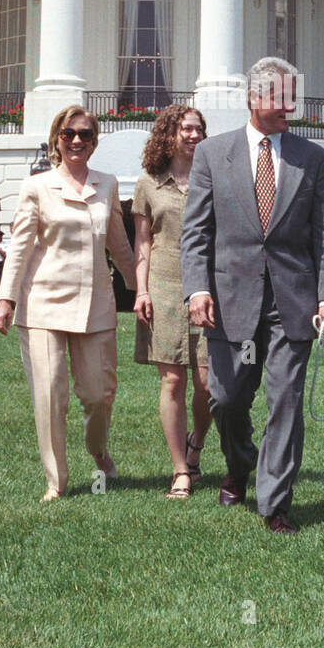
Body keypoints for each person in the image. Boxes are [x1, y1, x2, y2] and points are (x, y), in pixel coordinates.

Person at [181, 57, 324, 535]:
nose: (288, 108)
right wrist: (197, 288)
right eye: (278, 98)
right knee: (227, 399)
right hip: (230, 300)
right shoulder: (212, 154)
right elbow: (195, 232)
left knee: (286, 402)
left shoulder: (314, 158)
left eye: (292, 98)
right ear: (252, 98)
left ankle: (274, 505)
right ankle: (239, 463)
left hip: (291, 303)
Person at [0, 107, 136, 502]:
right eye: (69, 133)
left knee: (98, 393)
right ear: (57, 138)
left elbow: (119, 245)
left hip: (96, 305)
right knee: (50, 393)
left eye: (86, 135)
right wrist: (6, 298)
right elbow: (20, 247)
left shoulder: (106, 185)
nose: (77, 141)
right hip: (42, 303)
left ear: (94, 142)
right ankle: (56, 481)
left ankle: (99, 451)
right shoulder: (36, 186)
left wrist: (139, 289)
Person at [133, 104, 212, 499]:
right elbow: (143, 242)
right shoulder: (148, 182)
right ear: (168, 133)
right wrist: (141, 291)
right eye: (186, 128)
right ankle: (180, 469)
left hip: (206, 289)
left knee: (209, 384)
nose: (194, 135)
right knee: (172, 379)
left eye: (199, 129)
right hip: (162, 288)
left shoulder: (213, 178)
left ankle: (196, 445)